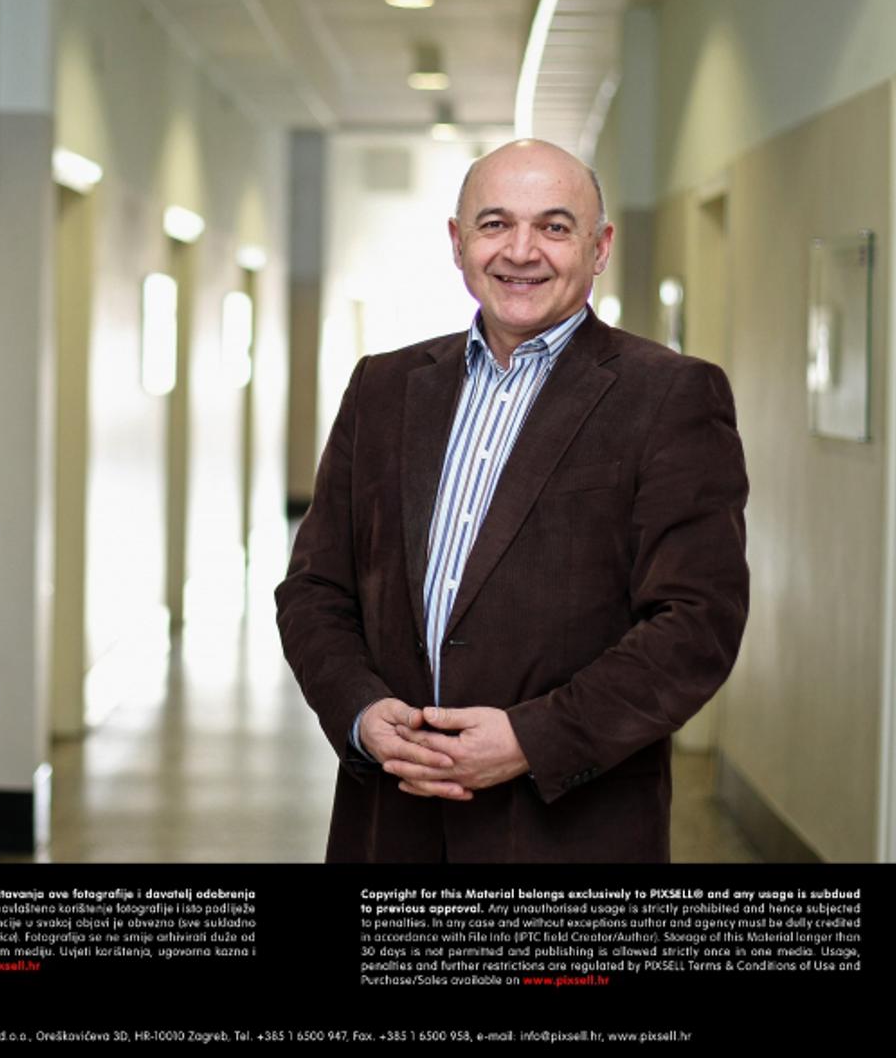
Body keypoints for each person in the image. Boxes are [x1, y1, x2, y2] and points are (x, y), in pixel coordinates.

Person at [275, 139, 749, 863]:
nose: (520, 251)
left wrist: (532, 739)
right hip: (389, 823)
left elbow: (696, 624)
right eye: (494, 223)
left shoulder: (670, 396)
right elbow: (313, 588)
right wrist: (361, 711)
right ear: (457, 242)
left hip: (570, 831)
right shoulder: (382, 388)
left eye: (554, 227)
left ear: (599, 248)